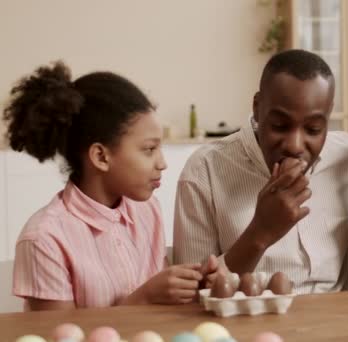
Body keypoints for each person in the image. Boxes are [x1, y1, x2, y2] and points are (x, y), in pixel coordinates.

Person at [6, 62, 203, 310]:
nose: (162, 163)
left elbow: (165, 309)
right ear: (100, 156)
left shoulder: (147, 211)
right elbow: (61, 337)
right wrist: (144, 298)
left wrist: (200, 284)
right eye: (149, 149)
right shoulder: (44, 240)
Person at [173, 49, 348, 293]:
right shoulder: (204, 173)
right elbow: (193, 296)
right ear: (257, 108)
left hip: (333, 324)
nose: (295, 145)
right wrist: (261, 232)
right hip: (246, 328)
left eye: (313, 129)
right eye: (280, 125)